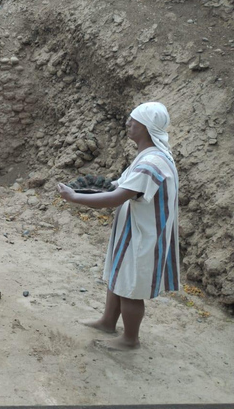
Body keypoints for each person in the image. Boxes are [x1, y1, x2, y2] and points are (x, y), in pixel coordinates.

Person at [57, 102, 179, 351]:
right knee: (120, 276)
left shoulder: (152, 162)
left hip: (144, 234)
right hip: (135, 229)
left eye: (133, 121)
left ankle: (130, 339)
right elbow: (118, 186)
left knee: (131, 286)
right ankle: (108, 321)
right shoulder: (149, 155)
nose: (128, 124)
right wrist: (88, 187)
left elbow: (116, 197)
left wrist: (75, 197)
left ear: (145, 127)